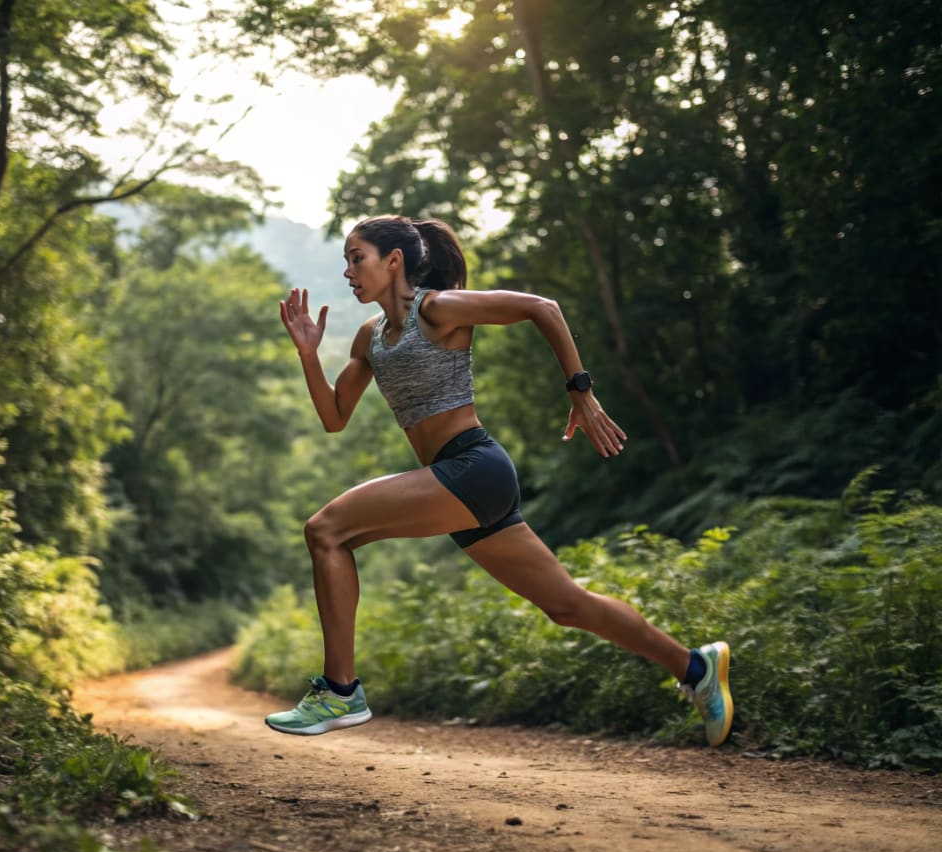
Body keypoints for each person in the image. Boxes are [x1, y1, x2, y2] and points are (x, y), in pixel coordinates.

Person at [266, 214, 732, 747]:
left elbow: (542, 308)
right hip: (460, 485)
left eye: (357, 258)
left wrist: (580, 390)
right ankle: (696, 667)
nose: (349, 271)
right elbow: (334, 416)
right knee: (567, 606)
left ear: (394, 260)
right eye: (345, 261)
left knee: (326, 530)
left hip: (472, 467)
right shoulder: (370, 338)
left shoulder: (437, 309)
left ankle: (340, 690)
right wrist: (308, 355)